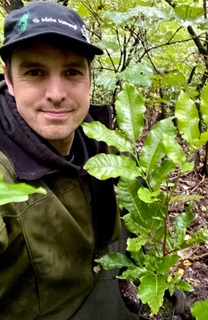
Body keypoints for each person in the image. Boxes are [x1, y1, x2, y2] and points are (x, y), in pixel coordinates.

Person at [0, 1, 138, 319]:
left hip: (102, 269)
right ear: (9, 79)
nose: (57, 93)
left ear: (90, 78)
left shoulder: (98, 134)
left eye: (72, 71)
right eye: (34, 72)